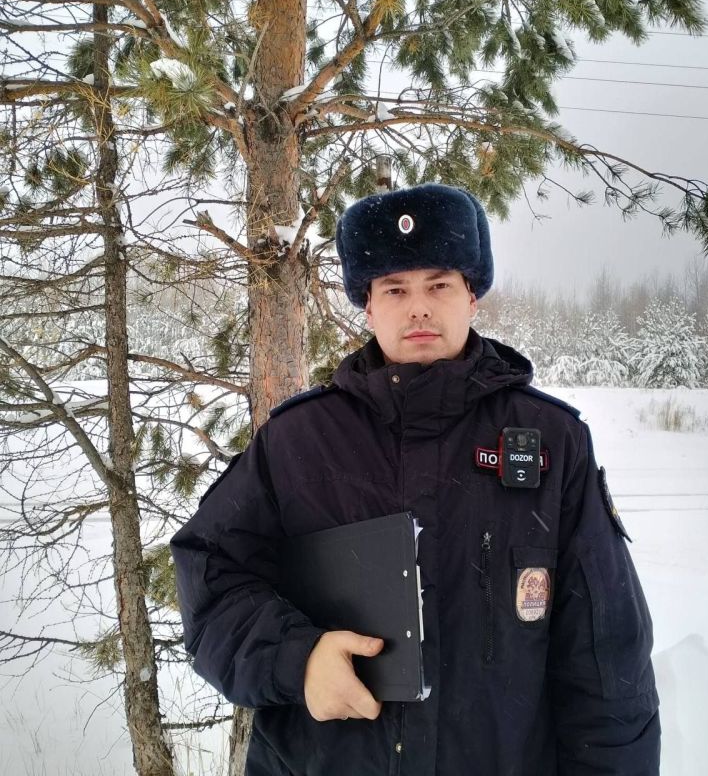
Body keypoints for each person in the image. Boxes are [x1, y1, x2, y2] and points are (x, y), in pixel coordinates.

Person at [170, 183, 660, 775]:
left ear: (472, 296)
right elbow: (211, 575)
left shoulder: (551, 442)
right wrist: (299, 659)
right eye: (395, 289)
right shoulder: (297, 441)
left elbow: (607, 663)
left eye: (439, 285)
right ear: (368, 307)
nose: (419, 307)